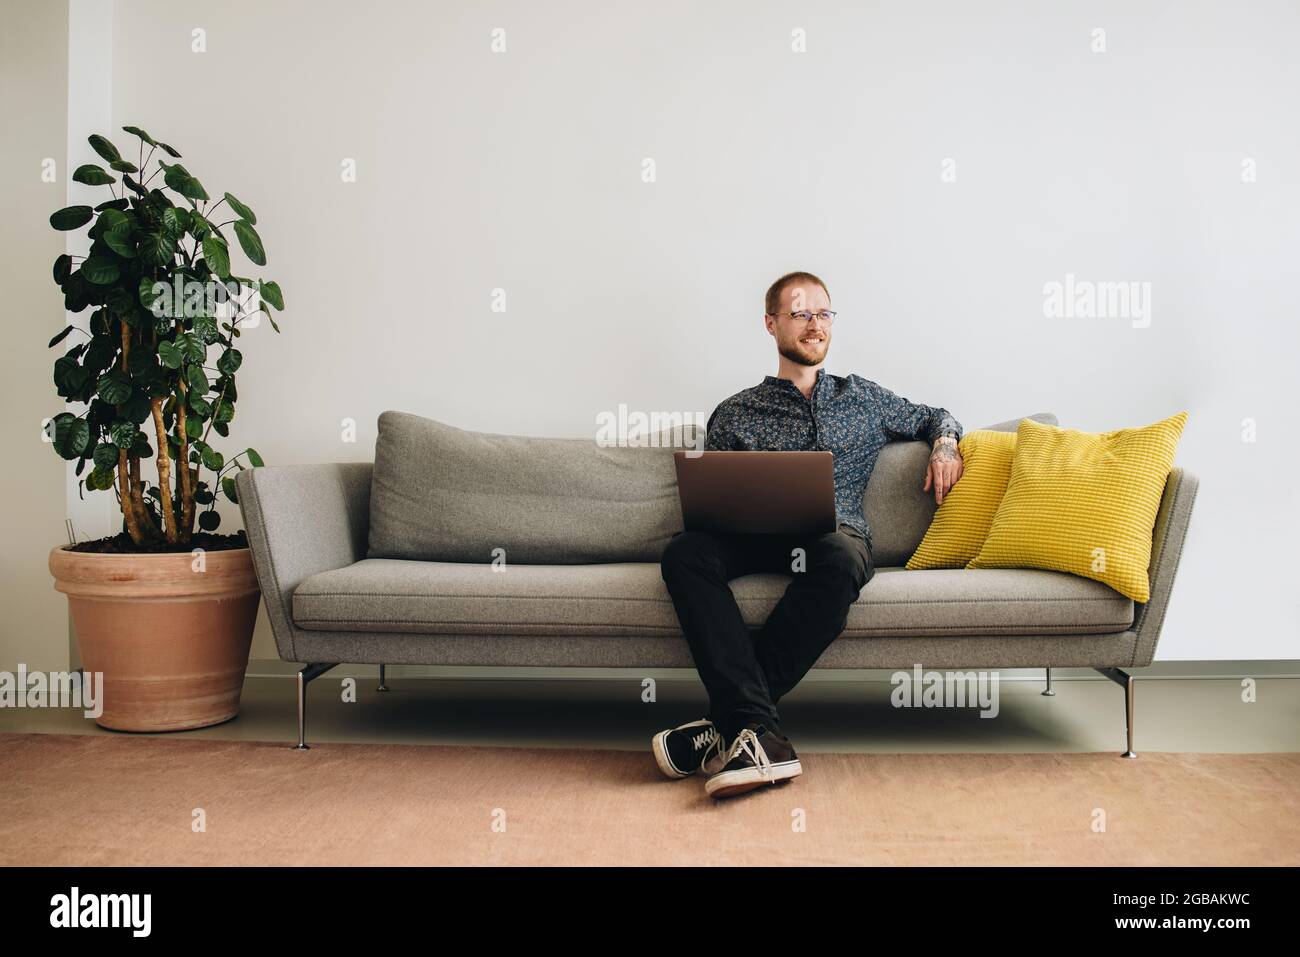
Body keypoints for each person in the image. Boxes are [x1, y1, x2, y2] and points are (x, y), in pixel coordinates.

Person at [652, 271, 964, 799]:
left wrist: (946, 446)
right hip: (755, 538)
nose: (815, 325)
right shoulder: (736, 411)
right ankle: (752, 729)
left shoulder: (863, 397)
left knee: (841, 559)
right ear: (771, 323)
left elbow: (935, 415)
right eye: (800, 314)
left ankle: (731, 726)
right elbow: (715, 498)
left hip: (833, 538)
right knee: (685, 553)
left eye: (823, 314)